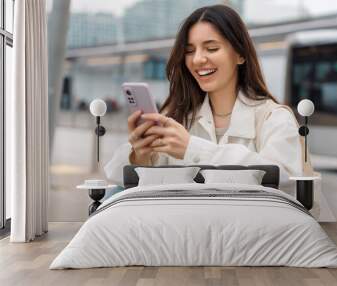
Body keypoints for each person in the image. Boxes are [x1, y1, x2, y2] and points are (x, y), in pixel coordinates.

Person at [104, 4, 312, 192]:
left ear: (240, 55)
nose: (198, 59)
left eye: (212, 48)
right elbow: (116, 177)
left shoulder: (273, 118)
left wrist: (191, 149)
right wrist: (140, 155)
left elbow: (285, 181)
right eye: (189, 51)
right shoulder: (177, 118)